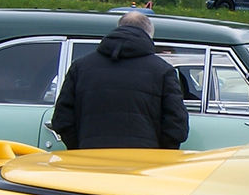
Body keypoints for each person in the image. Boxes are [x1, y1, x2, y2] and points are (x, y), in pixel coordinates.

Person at [50, 11, 188, 150]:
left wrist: (80, 147)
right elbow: (177, 127)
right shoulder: (163, 71)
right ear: (150, 35)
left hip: (91, 160)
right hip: (144, 163)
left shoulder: (80, 68)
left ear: (118, 28)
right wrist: (158, 153)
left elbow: (62, 120)